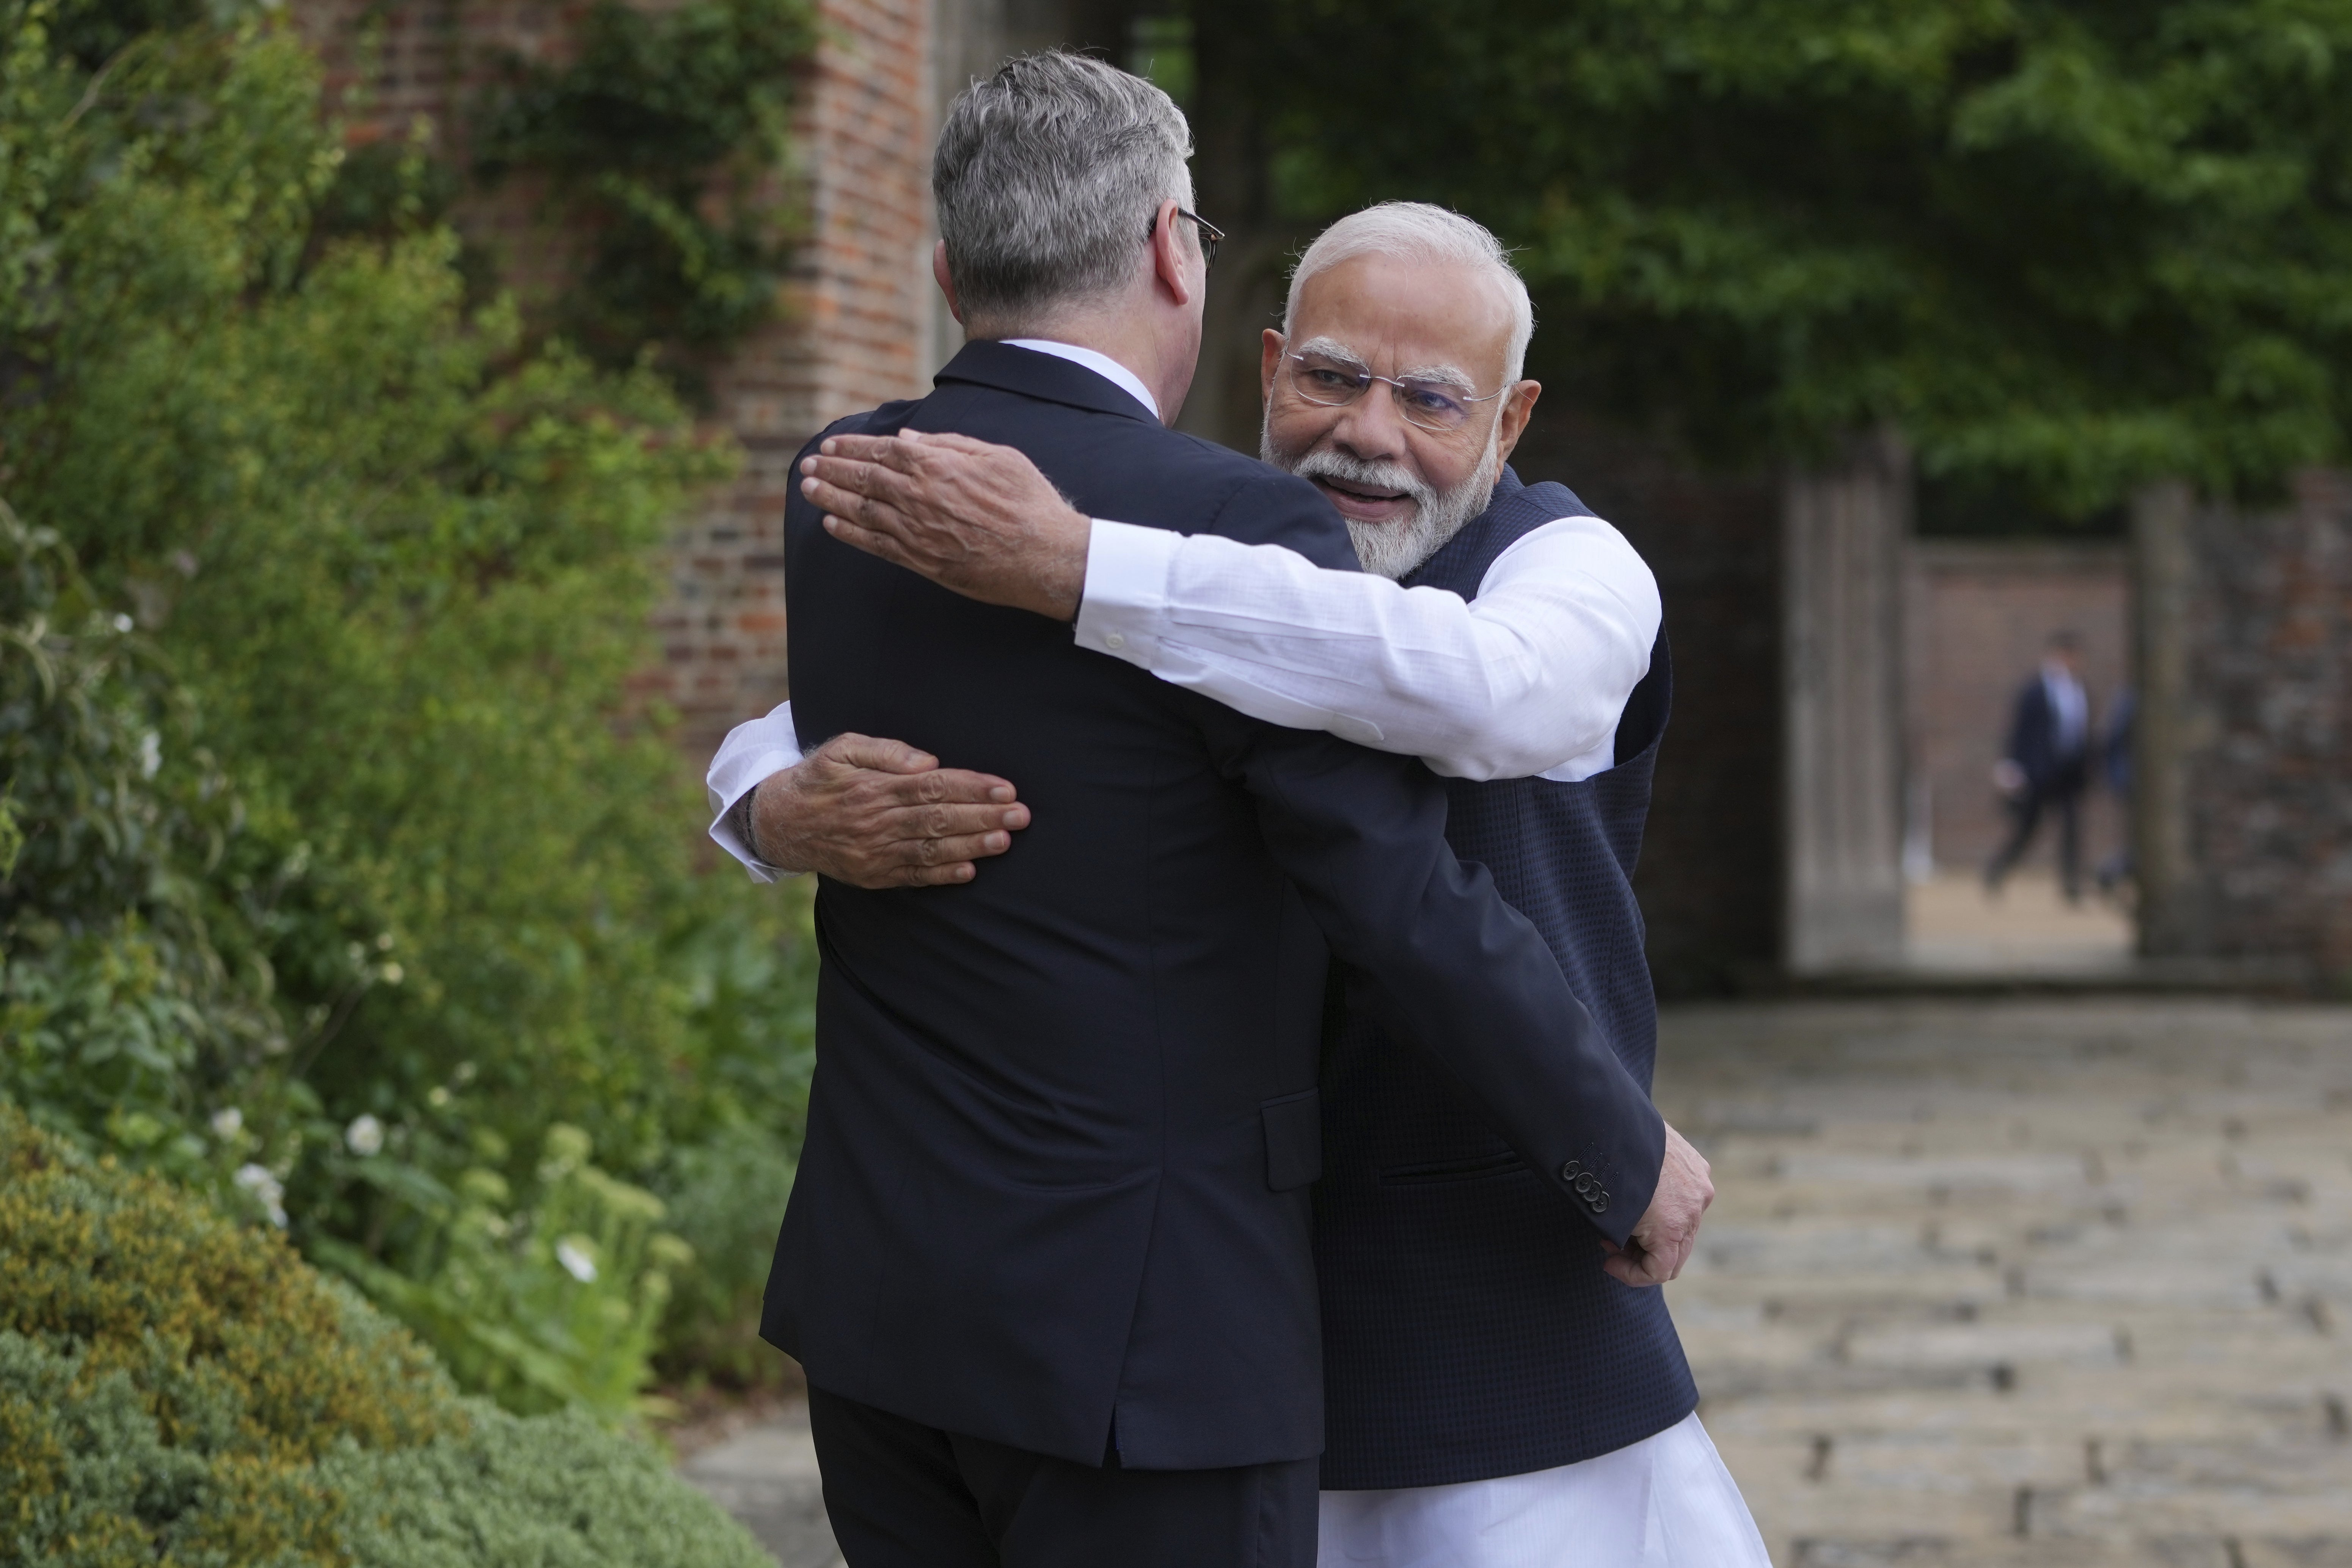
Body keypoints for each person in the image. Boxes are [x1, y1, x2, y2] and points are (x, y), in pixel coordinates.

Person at [740, 57, 1704, 1568]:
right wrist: (767, 802)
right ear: (1185, 266)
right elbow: (1394, 894)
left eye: (1429, 398)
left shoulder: (849, 476)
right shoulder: (1228, 517)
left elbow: (1490, 689)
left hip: (916, 1321)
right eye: (1330, 376)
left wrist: (1076, 565)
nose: (1366, 433)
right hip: (1150, 1341)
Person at [1985, 629, 2093, 901]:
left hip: (2068, 772)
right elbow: (2019, 732)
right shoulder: (2034, 691)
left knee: (2071, 829)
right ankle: (1997, 870)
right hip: (2039, 772)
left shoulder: (2080, 690)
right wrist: (2011, 768)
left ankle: (2071, 885)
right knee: (2028, 828)